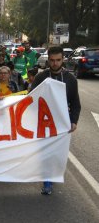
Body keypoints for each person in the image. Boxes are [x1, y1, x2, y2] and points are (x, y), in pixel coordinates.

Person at [30, 46, 81, 195]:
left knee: (57, 152)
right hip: (44, 121)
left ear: (63, 59)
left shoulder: (71, 79)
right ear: (48, 60)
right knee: (45, 151)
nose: (55, 63)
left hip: (62, 122)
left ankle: (53, 174)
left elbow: (76, 103)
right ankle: (47, 180)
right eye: (52, 60)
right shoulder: (41, 78)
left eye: (58, 60)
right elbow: (31, 98)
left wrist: (74, 120)